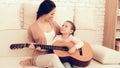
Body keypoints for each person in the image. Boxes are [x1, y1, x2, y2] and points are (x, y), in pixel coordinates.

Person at [20, 0, 65, 68]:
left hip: (55, 54)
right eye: (52, 14)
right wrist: (32, 47)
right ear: (44, 13)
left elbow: (63, 36)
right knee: (53, 57)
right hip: (40, 57)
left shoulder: (54, 24)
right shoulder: (32, 28)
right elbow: (30, 43)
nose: (53, 16)